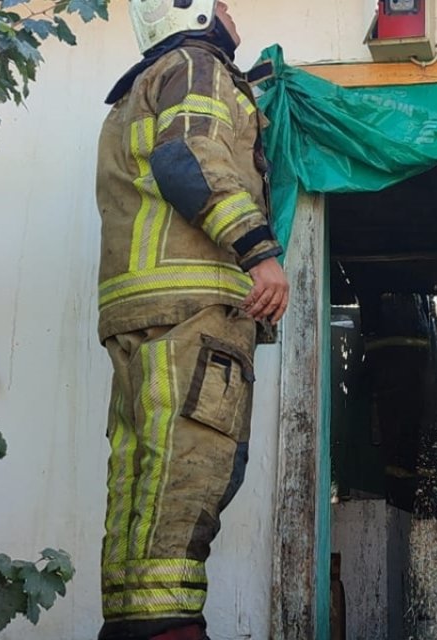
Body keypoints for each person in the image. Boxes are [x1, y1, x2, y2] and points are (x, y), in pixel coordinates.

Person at [94, 1, 288, 638]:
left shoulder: (137, 90)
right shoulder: (197, 67)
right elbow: (190, 156)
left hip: (143, 310)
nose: (233, 13)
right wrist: (259, 252)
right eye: (223, 3)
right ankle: (170, 633)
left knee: (141, 484)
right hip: (193, 311)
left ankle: (131, 625)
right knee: (189, 476)